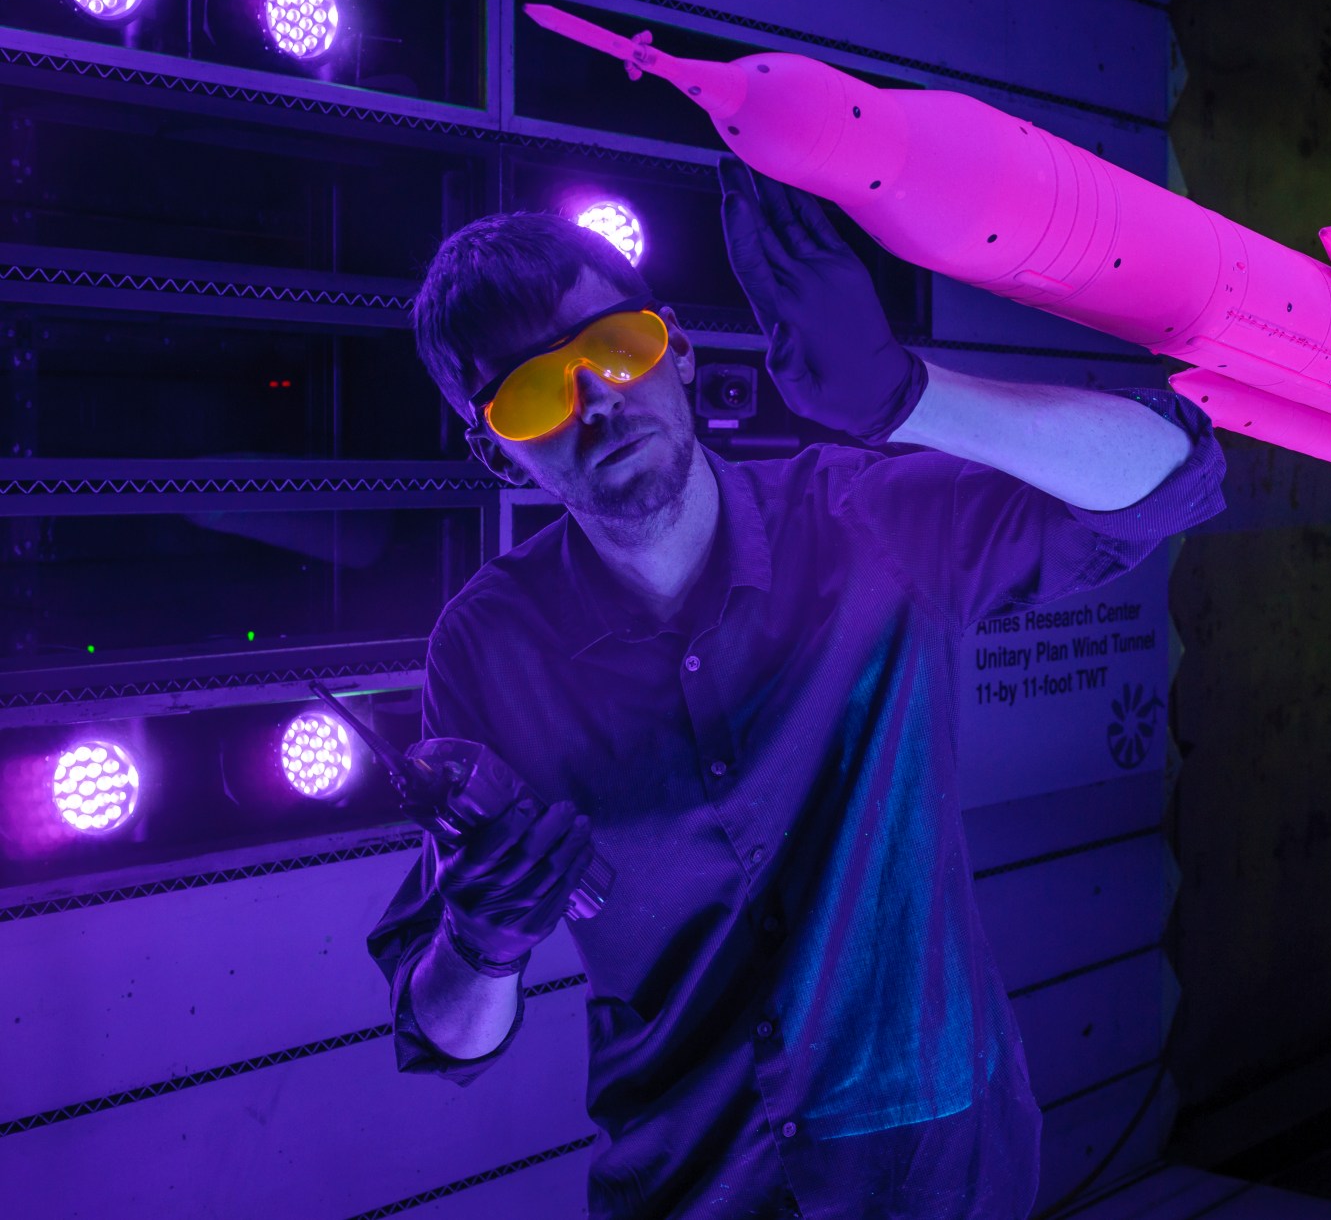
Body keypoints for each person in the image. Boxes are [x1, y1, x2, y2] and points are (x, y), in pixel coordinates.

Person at [367, 155, 1225, 1220]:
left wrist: (904, 394)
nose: (595, 400)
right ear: (500, 454)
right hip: (686, 1179)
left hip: (933, 1163)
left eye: (615, 349)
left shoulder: (862, 520)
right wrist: (479, 941)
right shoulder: (487, 650)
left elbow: (1172, 477)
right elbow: (445, 1033)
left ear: (675, 346)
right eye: (537, 391)